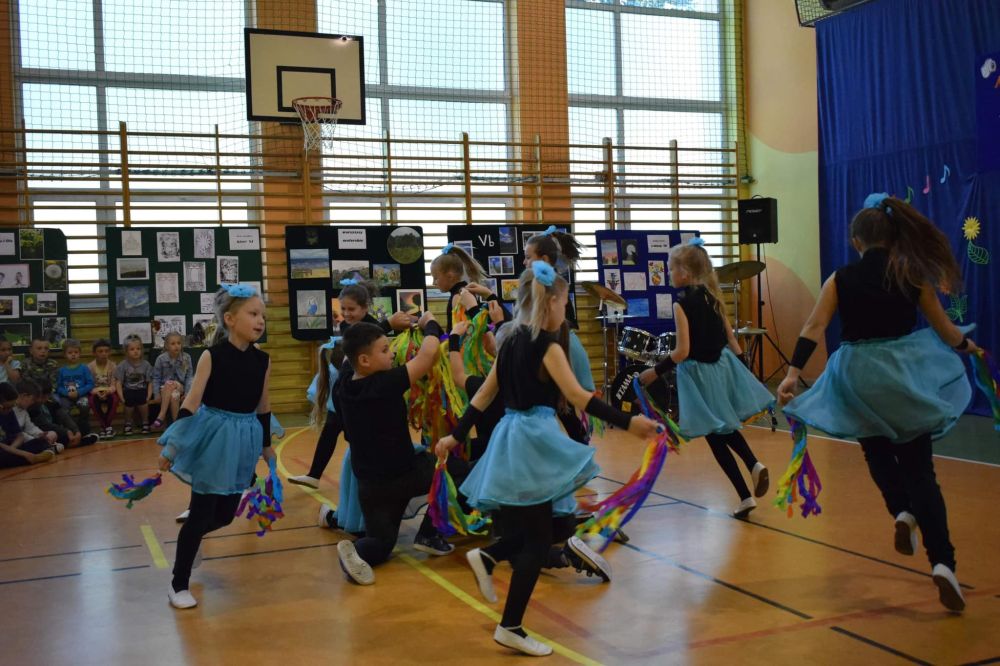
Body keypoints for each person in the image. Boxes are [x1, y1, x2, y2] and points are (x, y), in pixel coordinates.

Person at [436, 262, 660, 657]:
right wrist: (630, 422)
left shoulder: (510, 342)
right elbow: (578, 396)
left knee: (554, 526)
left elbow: (482, 396)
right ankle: (510, 625)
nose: (565, 311)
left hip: (511, 435)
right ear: (552, 302)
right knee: (540, 539)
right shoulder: (547, 344)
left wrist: (456, 435)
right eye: (564, 303)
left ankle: (489, 556)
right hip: (535, 440)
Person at [776, 194, 974, 613]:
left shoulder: (840, 278)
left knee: (875, 450)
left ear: (856, 241)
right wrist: (967, 346)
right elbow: (944, 330)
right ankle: (943, 563)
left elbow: (814, 326)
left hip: (858, 377)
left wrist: (792, 374)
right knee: (920, 470)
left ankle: (901, 511)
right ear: (894, 237)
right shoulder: (912, 274)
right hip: (902, 375)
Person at [157, 284, 274, 609]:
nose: (260, 321)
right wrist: (172, 447)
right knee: (200, 514)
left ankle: (192, 541)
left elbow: (264, 405)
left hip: (244, 440)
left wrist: (266, 446)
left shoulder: (263, 360)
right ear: (230, 319)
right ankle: (179, 584)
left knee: (225, 516)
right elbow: (191, 402)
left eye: (263, 315)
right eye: (253, 314)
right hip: (212, 439)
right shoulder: (212, 356)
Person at [639, 237, 772, 519]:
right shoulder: (713, 297)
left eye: (671, 269)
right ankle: (751, 471)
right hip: (722, 367)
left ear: (685, 272)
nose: (668, 274)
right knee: (721, 429)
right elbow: (731, 339)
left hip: (699, 374)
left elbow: (682, 351)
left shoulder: (682, 304)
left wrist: (654, 371)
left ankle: (747, 489)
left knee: (715, 433)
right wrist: (743, 371)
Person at [333, 313, 467, 586]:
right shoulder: (386, 382)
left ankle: (357, 551)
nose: (392, 353)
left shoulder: (344, 383)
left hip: (370, 486)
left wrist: (387, 326)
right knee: (463, 473)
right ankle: (429, 533)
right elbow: (427, 356)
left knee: (381, 544)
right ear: (365, 360)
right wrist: (430, 324)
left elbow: (349, 354)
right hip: (405, 474)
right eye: (385, 350)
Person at [288, 278, 411, 490]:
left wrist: (388, 324)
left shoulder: (372, 326)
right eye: (343, 308)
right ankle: (314, 474)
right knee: (331, 428)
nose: (346, 313)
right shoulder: (346, 325)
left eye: (351, 309)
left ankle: (363, 476)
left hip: (361, 391)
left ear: (365, 308)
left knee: (354, 432)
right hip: (344, 384)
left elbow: (367, 345)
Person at [523, 227, 595, 445]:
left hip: (560, 347)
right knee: (560, 405)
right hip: (554, 346)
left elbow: (557, 325)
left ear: (544, 259)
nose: (525, 262)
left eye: (528, 257)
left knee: (562, 403)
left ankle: (580, 447)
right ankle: (579, 446)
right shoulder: (544, 285)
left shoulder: (552, 287)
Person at [430, 244, 488, 330]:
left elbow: (462, 331)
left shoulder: (458, 297)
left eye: (436, 278)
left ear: (450, 276)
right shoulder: (461, 292)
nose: (433, 283)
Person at [0, 382, 55, 468]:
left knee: (41, 442)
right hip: (3, 449)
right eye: (6, 407)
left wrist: (13, 449)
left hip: (10, 446)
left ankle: (30, 457)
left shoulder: (10, 412)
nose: (9, 410)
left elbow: (20, 436)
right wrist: (22, 453)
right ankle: (35, 458)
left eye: (11, 407)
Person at [150, 332, 194, 430]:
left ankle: (161, 416)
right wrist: (156, 394)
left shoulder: (186, 358)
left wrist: (187, 393)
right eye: (173, 344)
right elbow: (156, 378)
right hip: (164, 389)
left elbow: (189, 377)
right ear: (166, 346)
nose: (176, 346)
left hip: (180, 386)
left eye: (179, 343)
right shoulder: (161, 359)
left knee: (171, 384)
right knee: (174, 395)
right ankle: (176, 425)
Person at [115, 335, 153, 436]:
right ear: (126, 351)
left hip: (141, 389)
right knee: (129, 401)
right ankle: (128, 423)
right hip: (128, 390)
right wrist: (121, 397)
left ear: (141, 350)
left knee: (143, 400)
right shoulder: (122, 365)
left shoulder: (146, 365)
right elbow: (118, 382)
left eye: (138, 349)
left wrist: (149, 396)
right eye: (132, 349)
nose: (135, 351)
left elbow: (150, 382)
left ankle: (145, 422)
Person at [55, 338, 94, 435]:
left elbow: (90, 384)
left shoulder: (84, 368)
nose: (73, 354)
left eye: (76, 352)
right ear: (64, 354)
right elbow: (58, 387)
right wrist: (66, 393)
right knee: (63, 408)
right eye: (70, 352)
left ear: (80, 353)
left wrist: (79, 392)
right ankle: (71, 428)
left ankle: (83, 428)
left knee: (85, 405)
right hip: (66, 397)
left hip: (81, 395)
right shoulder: (61, 370)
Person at [87, 339, 119, 439]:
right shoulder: (89, 367)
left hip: (109, 391)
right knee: (92, 401)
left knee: (114, 400)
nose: (104, 354)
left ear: (109, 352)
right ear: (94, 353)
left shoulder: (113, 366)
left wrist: (108, 391)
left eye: (106, 351)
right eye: (100, 351)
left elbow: (114, 383)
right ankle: (105, 427)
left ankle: (106, 426)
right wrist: (96, 392)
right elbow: (89, 384)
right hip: (95, 392)